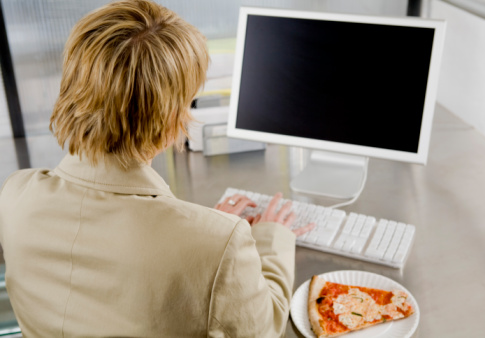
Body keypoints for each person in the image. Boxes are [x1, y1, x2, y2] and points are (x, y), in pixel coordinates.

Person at [0, 0, 314, 336]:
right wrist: (269, 239)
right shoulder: (220, 244)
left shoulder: (15, 194)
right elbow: (262, 329)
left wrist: (200, 232)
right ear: (171, 119)